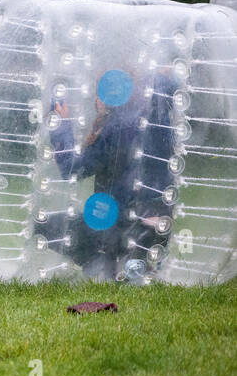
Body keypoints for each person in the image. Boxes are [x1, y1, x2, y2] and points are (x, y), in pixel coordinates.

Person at [35, 71, 178, 281]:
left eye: (99, 91)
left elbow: (71, 168)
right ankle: (136, 260)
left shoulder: (115, 129)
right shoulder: (159, 120)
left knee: (42, 224)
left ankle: (102, 262)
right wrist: (160, 71)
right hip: (158, 227)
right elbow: (168, 86)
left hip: (120, 228)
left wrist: (61, 125)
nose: (95, 98)